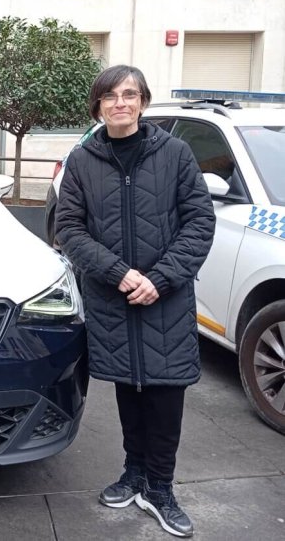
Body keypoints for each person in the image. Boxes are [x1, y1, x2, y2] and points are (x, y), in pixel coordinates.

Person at [55, 65, 215, 538]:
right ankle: (134, 473)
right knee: (131, 386)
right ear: (98, 105)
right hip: (114, 298)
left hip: (164, 299)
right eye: (110, 96)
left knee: (166, 392)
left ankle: (160, 487)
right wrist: (118, 273)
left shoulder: (176, 154)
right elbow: (68, 228)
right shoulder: (83, 161)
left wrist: (160, 278)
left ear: (143, 102)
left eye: (130, 95)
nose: (120, 103)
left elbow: (199, 222)